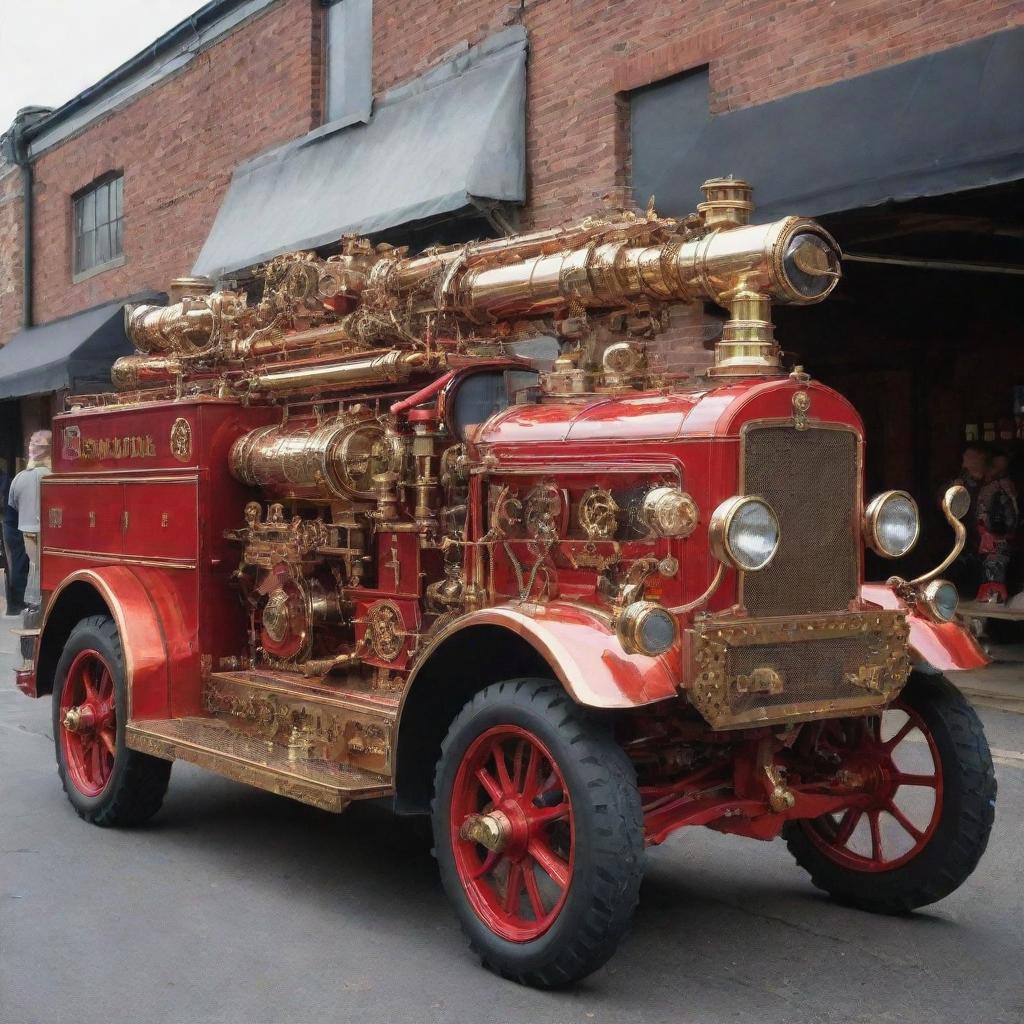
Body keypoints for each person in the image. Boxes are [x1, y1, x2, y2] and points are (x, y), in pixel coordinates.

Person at [7, 431, 52, 610]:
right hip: (50, 530)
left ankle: (32, 604)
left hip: (27, 528)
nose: (32, 447)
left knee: (34, 566)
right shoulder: (54, 475)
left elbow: (13, 504)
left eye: (35, 444)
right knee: (45, 568)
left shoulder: (20, 477)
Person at [976, 449, 1019, 602]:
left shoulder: (1008, 489)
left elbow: (1014, 517)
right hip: (989, 539)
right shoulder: (986, 489)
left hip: (1003, 540)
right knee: (991, 568)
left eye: (1003, 470)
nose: (1000, 474)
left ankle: (996, 595)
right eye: (996, 468)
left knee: (998, 568)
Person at [948, 443, 989, 598]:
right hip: (964, 541)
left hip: (984, 540)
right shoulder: (960, 481)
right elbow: (944, 503)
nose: (964, 462)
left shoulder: (990, 482)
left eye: (968, 458)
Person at [1, 457, 28, 616]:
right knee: (15, 564)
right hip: (10, 523)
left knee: (12, 564)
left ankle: (14, 603)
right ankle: (15, 604)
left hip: (9, 522)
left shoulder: (7, 479)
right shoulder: (5, 479)